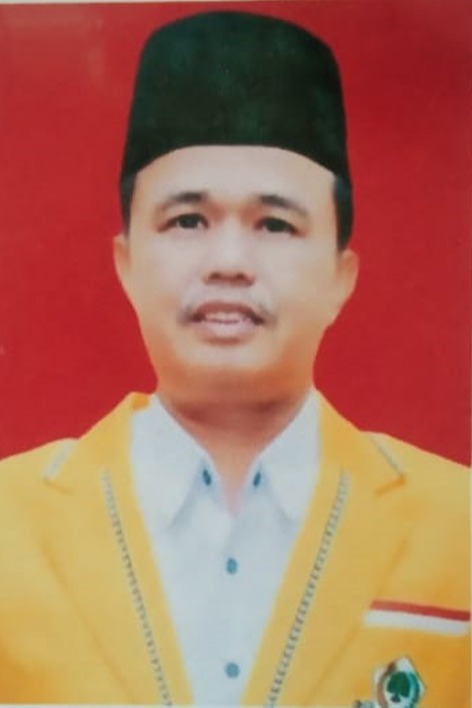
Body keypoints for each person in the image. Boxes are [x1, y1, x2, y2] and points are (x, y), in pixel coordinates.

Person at [0, 10, 469, 707]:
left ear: (341, 277)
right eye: (187, 220)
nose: (228, 262)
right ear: (126, 264)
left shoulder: (459, 525)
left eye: (275, 224)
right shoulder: (9, 523)